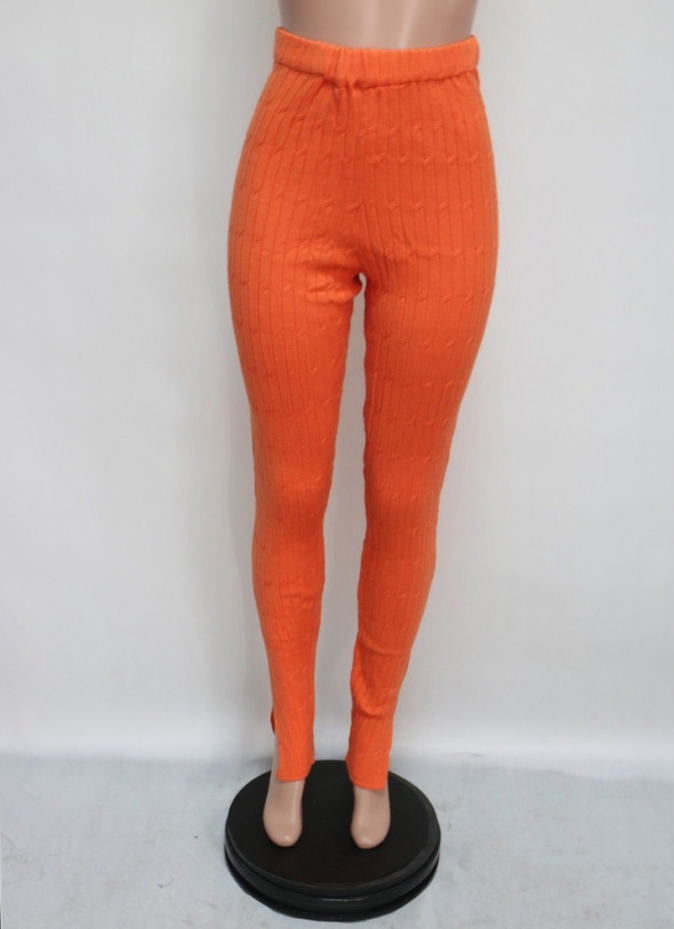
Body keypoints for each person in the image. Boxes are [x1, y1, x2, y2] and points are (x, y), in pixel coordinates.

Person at [226, 0, 498, 849]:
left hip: (441, 156)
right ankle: (293, 752)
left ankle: (371, 753)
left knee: (404, 496)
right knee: (291, 488)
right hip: (295, 149)